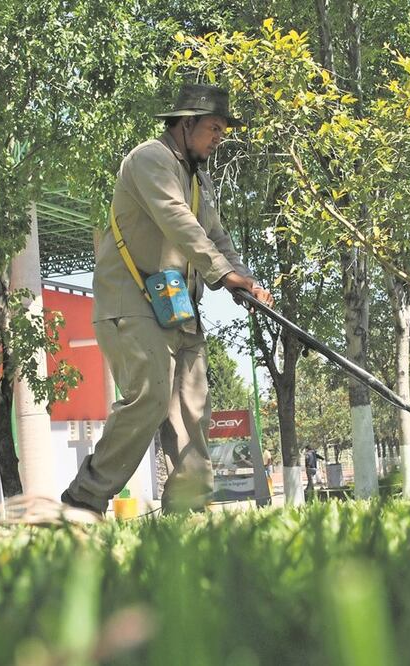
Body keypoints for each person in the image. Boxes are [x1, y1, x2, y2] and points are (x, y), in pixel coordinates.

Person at [61, 83, 274, 515]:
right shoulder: (149, 159)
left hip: (179, 308)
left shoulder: (200, 178)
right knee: (151, 398)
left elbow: (215, 235)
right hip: (133, 303)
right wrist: (223, 274)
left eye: (222, 130)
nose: (218, 138)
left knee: (194, 410)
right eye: (213, 128)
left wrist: (245, 281)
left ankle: (189, 509)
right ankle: (83, 500)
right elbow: (179, 222)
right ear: (186, 122)